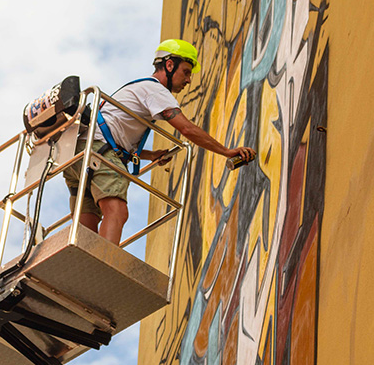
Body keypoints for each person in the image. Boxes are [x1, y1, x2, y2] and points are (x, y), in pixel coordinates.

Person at [64, 39, 256, 244]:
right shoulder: (155, 90)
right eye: (186, 71)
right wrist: (226, 151)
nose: (189, 80)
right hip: (99, 152)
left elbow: (118, 136)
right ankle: (99, 267)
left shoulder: (138, 89)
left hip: (79, 153)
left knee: (88, 225)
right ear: (170, 65)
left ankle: (83, 268)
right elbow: (186, 128)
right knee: (117, 211)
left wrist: (150, 156)